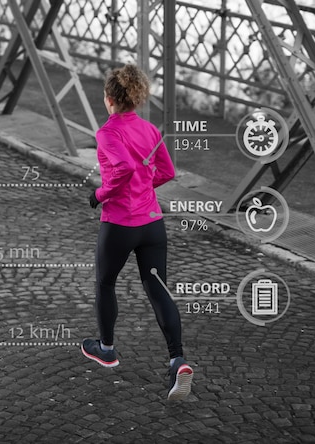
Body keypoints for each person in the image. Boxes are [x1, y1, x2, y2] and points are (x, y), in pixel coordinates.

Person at [81, 64, 193, 401]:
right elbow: (167, 172)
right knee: (159, 290)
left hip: (120, 224)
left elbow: (124, 169)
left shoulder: (107, 132)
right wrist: (146, 186)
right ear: (136, 97)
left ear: (109, 99)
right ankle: (177, 359)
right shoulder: (150, 130)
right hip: (153, 224)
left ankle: (107, 348)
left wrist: (100, 194)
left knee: (105, 282)